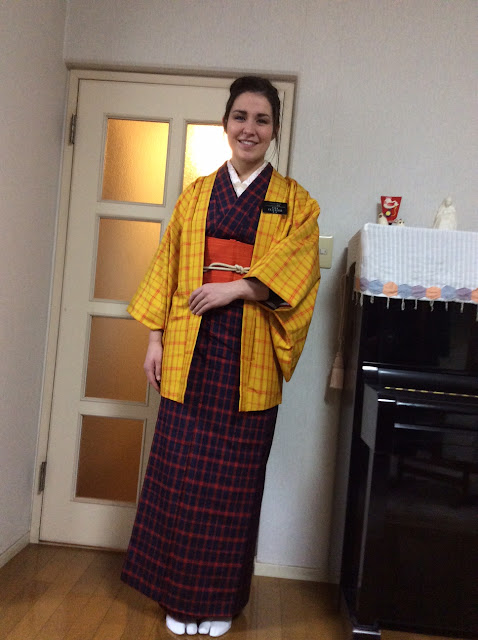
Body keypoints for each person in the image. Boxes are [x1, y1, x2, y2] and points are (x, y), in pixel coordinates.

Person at [121, 76, 320, 637]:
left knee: (235, 488)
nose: (249, 129)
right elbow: (167, 265)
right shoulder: (196, 194)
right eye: (240, 117)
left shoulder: (296, 203)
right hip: (191, 351)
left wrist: (236, 288)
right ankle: (177, 597)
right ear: (226, 123)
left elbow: (301, 270)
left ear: (275, 130)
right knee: (179, 479)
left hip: (249, 359)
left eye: (261, 119)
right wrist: (155, 339)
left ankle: (218, 603)